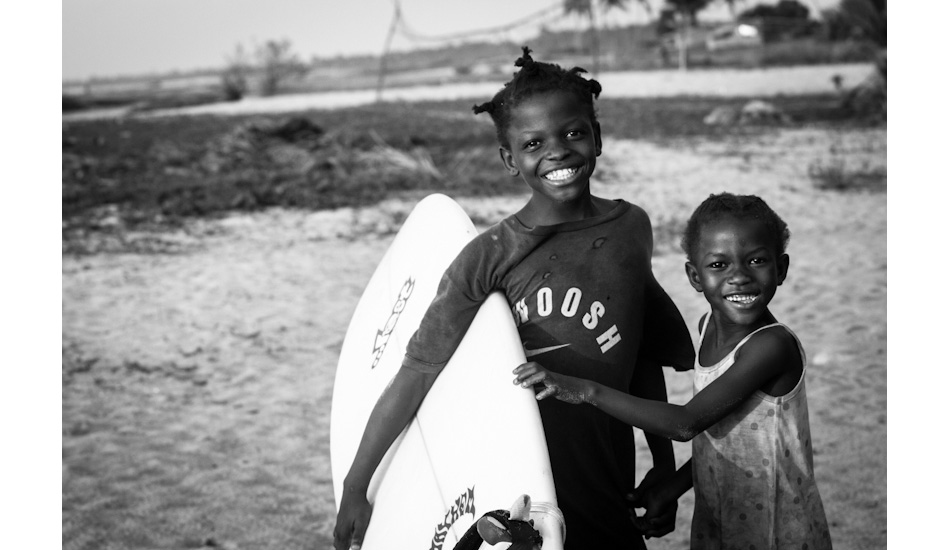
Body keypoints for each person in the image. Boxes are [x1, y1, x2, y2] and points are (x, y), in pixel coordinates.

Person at [332, 46, 695, 550]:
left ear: (597, 138)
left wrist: (662, 468)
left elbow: (641, 357)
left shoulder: (630, 228)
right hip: (519, 487)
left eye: (573, 133)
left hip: (607, 475)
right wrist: (357, 487)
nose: (558, 151)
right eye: (533, 142)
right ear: (510, 159)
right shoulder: (487, 257)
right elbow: (417, 372)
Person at [513, 192, 834, 549]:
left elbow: (686, 423)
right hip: (721, 512)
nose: (739, 277)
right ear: (695, 277)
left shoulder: (770, 347)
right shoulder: (707, 329)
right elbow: (725, 434)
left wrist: (586, 390)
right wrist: (675, 485)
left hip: (776, 525)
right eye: (719, 265)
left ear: (782, 268)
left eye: (756, 261)